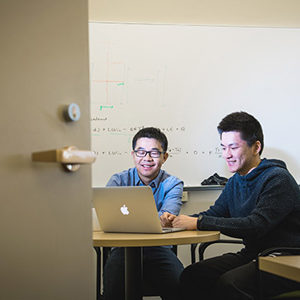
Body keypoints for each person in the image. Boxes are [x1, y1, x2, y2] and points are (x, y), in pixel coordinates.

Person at [162, 111, 300, 300]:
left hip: (286, 259)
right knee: (194, 275)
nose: (226, 155)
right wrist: (178, 221)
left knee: (230, 284)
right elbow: (216, 213)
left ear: (256, 147)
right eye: (223, 147)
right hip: (254, 255)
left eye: (233, 147)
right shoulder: (236, 180)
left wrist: (198, 223)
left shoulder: (278, 179)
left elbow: (255, 225)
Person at [103, 127, 184, 300]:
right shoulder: (118, 180)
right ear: (133, 155)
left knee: (181, 285)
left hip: (158, 248)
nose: (147, 158)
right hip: (123, 248)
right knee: (114, 289)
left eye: (154, 153)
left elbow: (166, 219)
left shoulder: (172, 184)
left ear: (164, 157)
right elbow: (108, 218)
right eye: (141, 152)